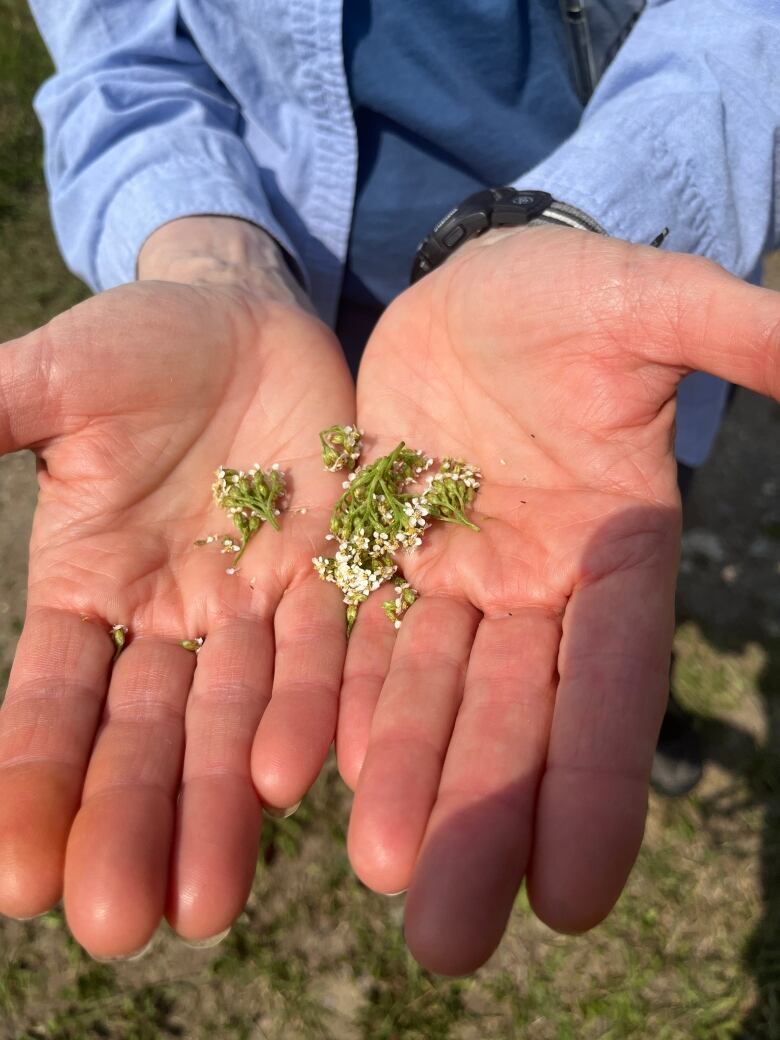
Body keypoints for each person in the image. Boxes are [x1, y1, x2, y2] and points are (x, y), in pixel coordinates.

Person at [0, 0, 777, 975]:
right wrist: (208, 251)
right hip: (280, 280)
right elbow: (115, 49)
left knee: (590, 560)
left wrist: (590, 212)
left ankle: (639, 692)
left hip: (564, 326)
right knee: (510, 580)